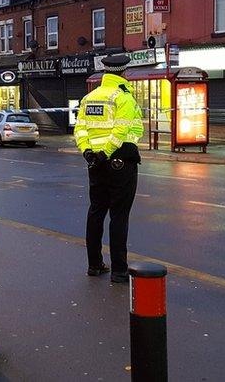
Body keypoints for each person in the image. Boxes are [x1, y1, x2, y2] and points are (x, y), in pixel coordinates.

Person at [74, 54, 144, 284]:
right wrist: (106, 153)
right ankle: (119, 271)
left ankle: (94, 265)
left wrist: (88, 152)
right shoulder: (124, 98)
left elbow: (80, 130)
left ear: (105, 73)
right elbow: (121, 132)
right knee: (119, 216)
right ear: (124, 73)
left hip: (95, 163)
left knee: (96, 212)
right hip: (119, 162)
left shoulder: (89, 98)